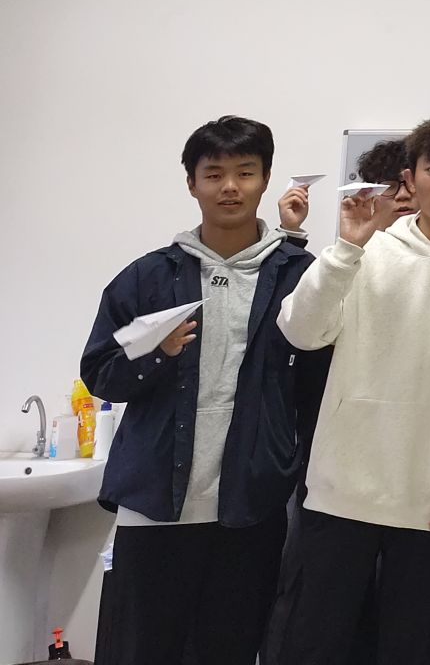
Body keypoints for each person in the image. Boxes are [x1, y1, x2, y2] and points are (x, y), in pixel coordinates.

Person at [271, 117, 430, 665]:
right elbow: (300, 331)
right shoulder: (364, 252)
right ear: (411, 176)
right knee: (316, 641)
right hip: (342, 485)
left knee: (417, 645)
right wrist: (345, 248)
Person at [81, 117, 320, 665]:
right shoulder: (148, 277)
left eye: (245, 172)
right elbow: (100, 373)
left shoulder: (298, 276)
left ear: (265, 180)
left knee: (231, 646)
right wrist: (158, 357)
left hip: (250, 501)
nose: (230, 187)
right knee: (143, 647)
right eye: (214, 174)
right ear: (192, 184)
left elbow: (315, 386)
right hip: (154, 501)